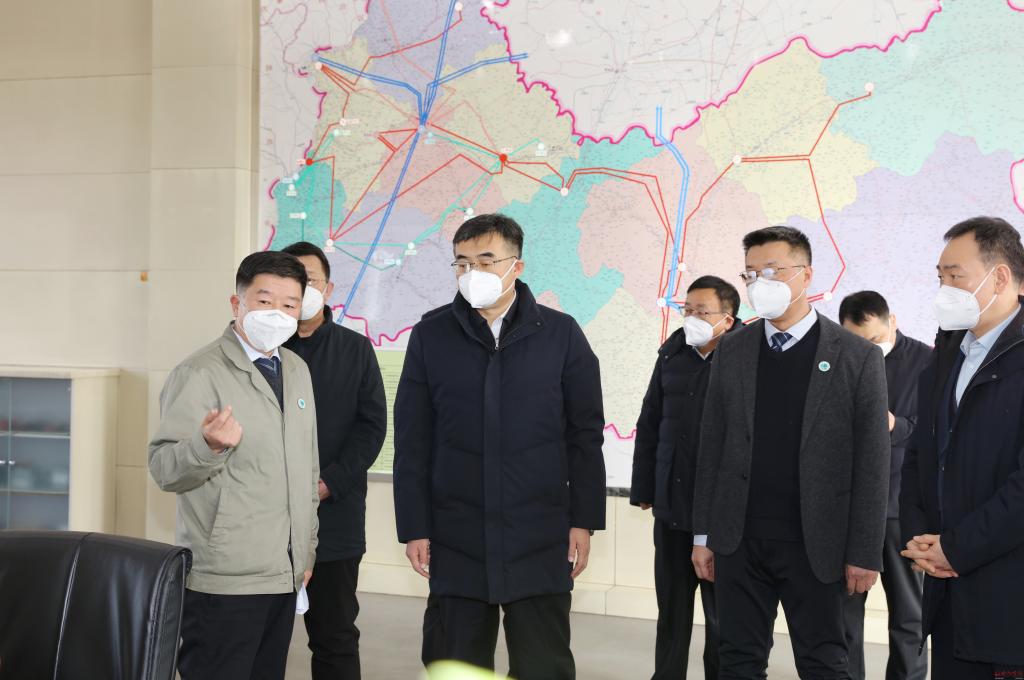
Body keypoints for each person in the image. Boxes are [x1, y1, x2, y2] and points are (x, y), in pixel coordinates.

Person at [393, 213, 607, 680]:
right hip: (456, 533)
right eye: (462, 263)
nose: (473, 272)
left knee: (543, 663)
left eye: (486, 260)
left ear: (516, 265)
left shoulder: (561, 334)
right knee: (454, 663)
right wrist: (414, 526)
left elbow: (585, 435)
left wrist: (584, 520)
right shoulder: (431, 335)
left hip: (540, 531)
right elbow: (412, 439)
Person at [691, 225, 890, 679]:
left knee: (824, 663)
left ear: (806, 275)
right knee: (737, 660)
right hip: (739, 540)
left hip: (817, 544)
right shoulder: (733, 348)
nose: (759, 283)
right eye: (751, 274)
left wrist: (864, 551)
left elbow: (873, 463)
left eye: (772, 271)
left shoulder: (856, 356)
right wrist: (703, 535)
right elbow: (713, 445)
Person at [149, 251, 320, 680]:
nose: (277, 313)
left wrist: (305, 550)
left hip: (285, 573)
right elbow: (164, 469)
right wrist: (206, 446)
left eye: (289, 304)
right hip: (225, 575)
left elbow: (307, 470)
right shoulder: (199, 372)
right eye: (264, 301)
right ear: (236, 303)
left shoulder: (296, 370)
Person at [900, 216, 1024, 679]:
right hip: (948, 594)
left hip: (1008, 599)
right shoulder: (947, 353)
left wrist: (958, 548)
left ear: (1001, 278)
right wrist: (919, 538)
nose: (944, 289)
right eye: (940, 277)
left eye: (955, 276)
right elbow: (920, 454)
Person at [281, 241, 387, 680]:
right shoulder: (264, 350)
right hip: (266, 520)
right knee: (259, 635)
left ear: (328, 288)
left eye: (311, 280)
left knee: (334, 636)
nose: (303, 289)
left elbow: (371, 427)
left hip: (335, 520)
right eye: (293, 280)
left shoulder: (355, 349)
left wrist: (329, 483)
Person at [631, 276, 740, 679]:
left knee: (722, 618)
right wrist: (645, 486)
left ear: (727, 319)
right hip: (672, 508)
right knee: (672, 612)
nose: (691, 317)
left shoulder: (745, 359)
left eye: (702, 311)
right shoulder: (672, 353)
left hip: (722, 516)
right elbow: (650, 420)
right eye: (687, 309)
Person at [838, 291, 930, 680]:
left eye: (873, 340)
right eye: (856, 342)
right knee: (844, 616)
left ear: (892, 321)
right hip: (849, 508)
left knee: (909, 617)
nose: (866, 350)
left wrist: (896, 425)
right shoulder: (837, 360)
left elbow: (939, 431)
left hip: (901, 509)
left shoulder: (928, 361)